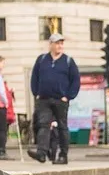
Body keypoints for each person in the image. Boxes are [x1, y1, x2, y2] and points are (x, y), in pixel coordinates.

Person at [28, 33, 79, 165]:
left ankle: (63, 155)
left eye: (61, 43)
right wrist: (36, 93)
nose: (60, 46)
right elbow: (34, 77)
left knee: (62, 127)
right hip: (44, 99)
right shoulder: (42, 59)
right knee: (43, 125)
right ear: (50, 44)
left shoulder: (68, 61)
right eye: (57, 43)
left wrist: (68, 96)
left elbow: (75, 81)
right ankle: (42, 153)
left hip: (60, 100)